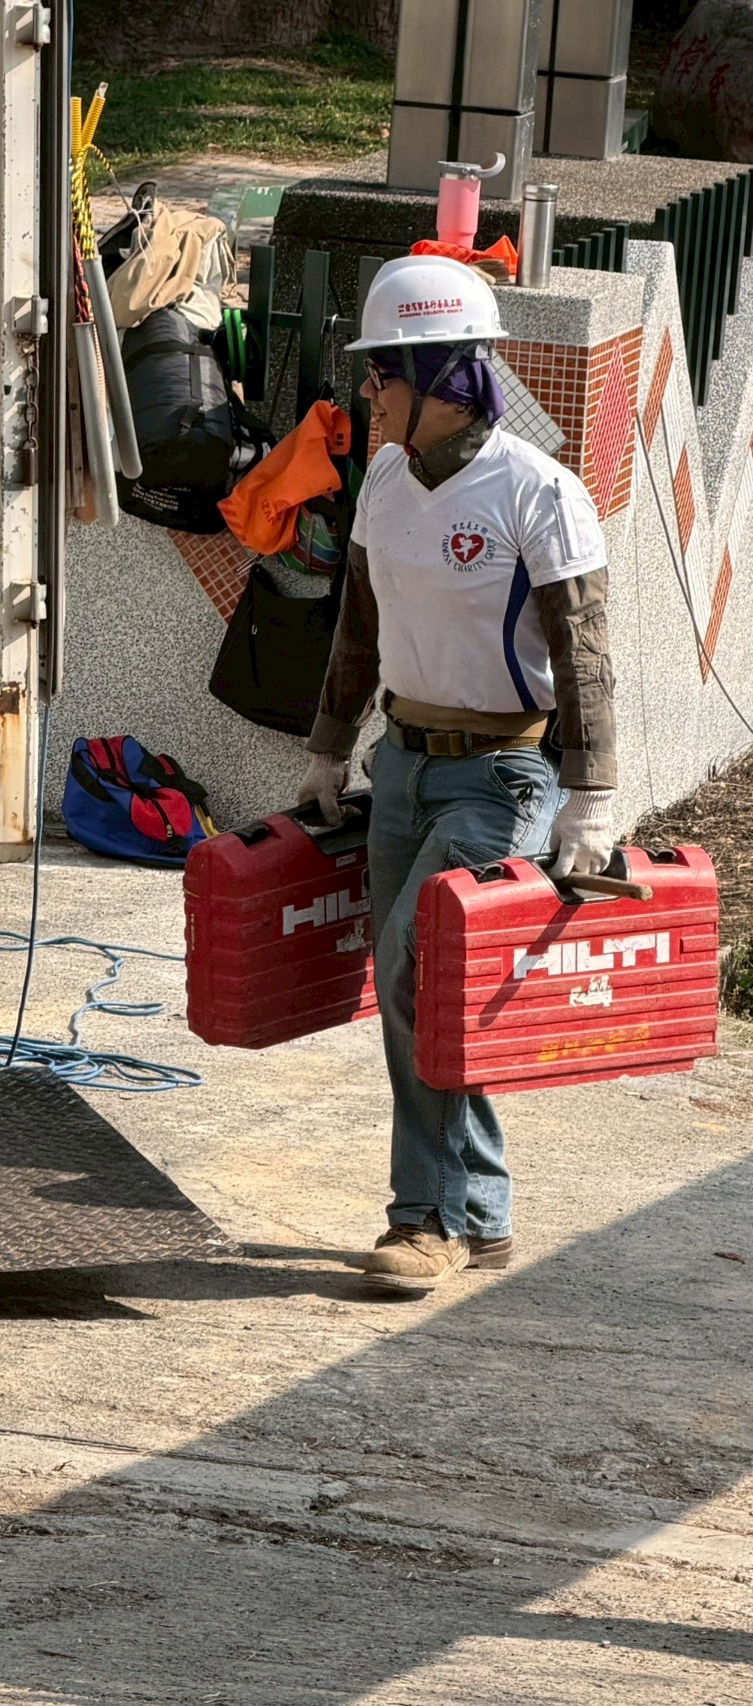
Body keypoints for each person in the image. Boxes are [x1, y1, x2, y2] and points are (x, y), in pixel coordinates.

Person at [298, 255, 616, 1292]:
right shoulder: (386, 483)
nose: (367, 392)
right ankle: (478, 1212)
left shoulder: (539, 493)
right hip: (401, 768)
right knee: (418, 991)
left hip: (502, 776)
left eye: (382, 374)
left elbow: (585, 655)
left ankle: (426, 1220)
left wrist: (591, 798)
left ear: (443, 379)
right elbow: (358, 627)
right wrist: (326, 748)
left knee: (416, 969)